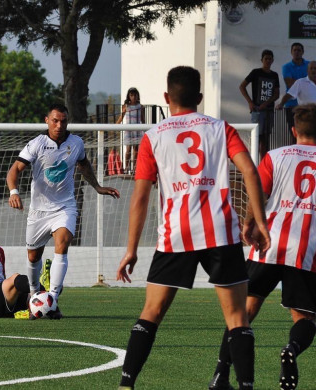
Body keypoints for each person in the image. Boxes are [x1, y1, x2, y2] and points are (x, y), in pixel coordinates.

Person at [116, 66, 270, 390]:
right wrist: (259, 221)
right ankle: (245, 386)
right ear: (200, 98)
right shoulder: (220, 129)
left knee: (151, 313)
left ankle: (126, 384)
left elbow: (140, 199)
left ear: (166, 98)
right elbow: (250, 173)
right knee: (237, 319)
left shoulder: (153, 137)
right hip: (220, 232)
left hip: (176, 235)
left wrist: (131, 249)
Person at [208, 104, 316, 390]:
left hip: (269, 241)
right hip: (306, 249)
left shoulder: (276, 156)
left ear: (293, 131)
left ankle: (221, 374)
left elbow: (259, 190)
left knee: (242, 311)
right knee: (304, 317)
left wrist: (249, 223)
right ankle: (291, 349)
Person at [7, 103, 120, 319]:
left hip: (64, 206)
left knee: (63, 241)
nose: (59, 125)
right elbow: (15, 170)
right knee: (33, 256)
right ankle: (34, 296)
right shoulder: (36, 144)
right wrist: (13, 192)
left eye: (63, 121)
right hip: (38, 211)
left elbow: (84, 165)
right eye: (55, 120)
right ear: (47, 120)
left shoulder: (76, 143)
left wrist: (97, 187)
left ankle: (53, 299)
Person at [239, 49, 280, 159]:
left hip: (269, 111)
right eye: (266, 59)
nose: (267, 61)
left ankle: (263, 164)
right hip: (257, 110)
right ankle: (253, 162)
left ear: (272, 60)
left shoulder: (274, 75)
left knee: (266, 139)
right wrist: (250, 102)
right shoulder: (256, 72)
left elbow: (277, 94)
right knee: (256, 137)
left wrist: (266, 103)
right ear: (262, 60)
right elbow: (242, 86)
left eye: (270, 59)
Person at [282, 43, 310, 143]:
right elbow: (290, 84)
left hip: (307, 105)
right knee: (294, 133)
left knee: (310, 131)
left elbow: (313, 81)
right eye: (294, 50)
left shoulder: (310, 65)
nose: (296, 52)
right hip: (291, 104)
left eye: (299, 50)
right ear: (291, 52)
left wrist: (302, 83)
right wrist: (305, 83)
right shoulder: (286, 67)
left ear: (303, 52)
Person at [116, 87, 144, 174]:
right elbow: (122, 116)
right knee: (128, 149)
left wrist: (145, 128)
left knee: (136, 149)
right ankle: (126, 167)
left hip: (137, 130)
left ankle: (134, 169)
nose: (133, 97)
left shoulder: (140, 107)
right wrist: (116, 125)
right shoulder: (126, 106)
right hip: (128, 130)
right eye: (131, 95)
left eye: (135, 95)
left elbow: (142, 119)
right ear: (128, 96)